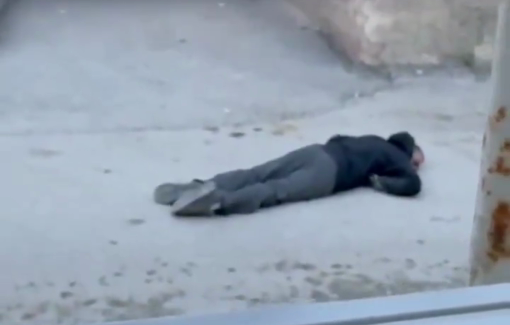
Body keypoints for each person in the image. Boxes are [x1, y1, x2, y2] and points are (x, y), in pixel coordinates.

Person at [154, 131, 424, 217]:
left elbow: (337, 137)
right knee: (275, 190)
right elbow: (413, 185)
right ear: (409, 152)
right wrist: (380, 182)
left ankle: (196, 186)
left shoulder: (373, 139)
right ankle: (217, 202)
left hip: (317, 151)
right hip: (330, 175)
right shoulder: (398, 158)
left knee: (257, 172)